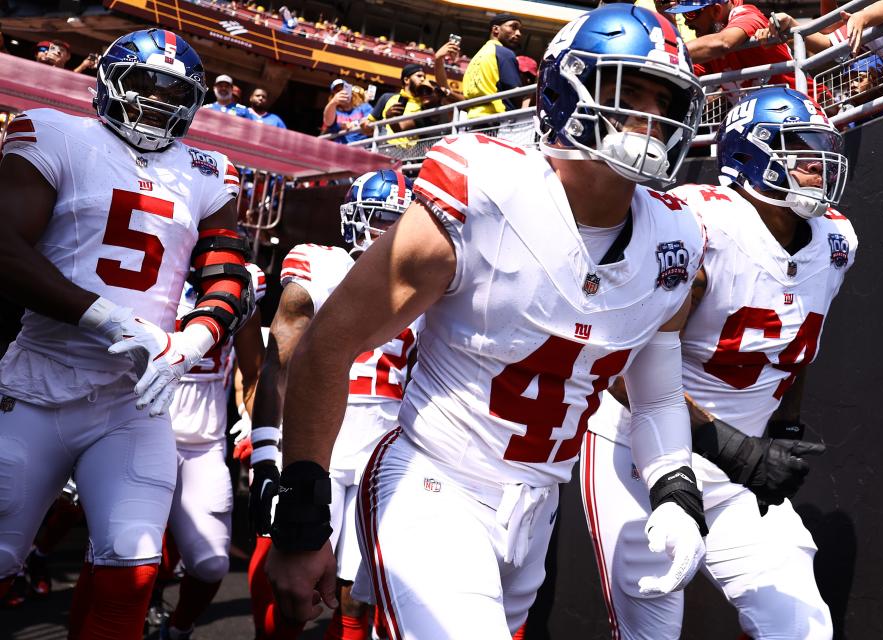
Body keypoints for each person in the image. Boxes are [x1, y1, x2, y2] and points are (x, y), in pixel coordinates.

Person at [265, 4, 710, 636]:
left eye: (660, 99)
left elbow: (656, 391)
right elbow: (329, 344)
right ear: (566, 89)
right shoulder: (486, 188)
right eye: (625, 90)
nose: (644, 116)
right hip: (435, 482)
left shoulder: (678, 235)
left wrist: (674, 490)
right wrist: (303, 516)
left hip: (536, 509)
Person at [0, 28, 252, 638]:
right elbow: (4, 247)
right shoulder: (56, 133)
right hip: (38, 383)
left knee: (131, 570)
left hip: (134, 399)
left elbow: (228, 276)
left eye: (173, 92)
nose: (156, 102)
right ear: (109, 84)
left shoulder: (208, 172)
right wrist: (104, 315)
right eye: (143, 84)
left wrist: (187, 345)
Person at [582, 87, 855, 640]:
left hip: (741, 472)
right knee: (652, 629)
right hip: (640, 458)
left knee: (800, 626)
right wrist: (730, 448)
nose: (813, 161)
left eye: (818, 146)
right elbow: (618, 371)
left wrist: (786, 426)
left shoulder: (836, 240)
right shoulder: (699, 226)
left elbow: (792, 348)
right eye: (797, 145)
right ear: (751, 153)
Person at [246, 170, 420, 640]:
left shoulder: (425, 284)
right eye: (380, 218)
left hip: (380, 448)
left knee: (357, 594)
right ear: (352, 218)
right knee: (293, 587)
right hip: (317, 441)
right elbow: (277, 363)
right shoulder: (318, 264)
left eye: (397, 222)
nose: (386, 231)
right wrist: (265, 448)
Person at [158, 263, 266, 640]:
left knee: (210, 563)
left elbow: (254, 371)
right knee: (124, 555)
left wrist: (261, 428)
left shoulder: (241, 282)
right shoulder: (151, 263)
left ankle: (177, 630)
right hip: (139, 429)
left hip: (203, 442)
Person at [665, 0, 800, 93]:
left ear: (716, 10)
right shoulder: (710, 41)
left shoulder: (747, 15)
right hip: (761, 122)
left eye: (691, 13)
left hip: (802, 114)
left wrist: (657, 49)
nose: (687, 22)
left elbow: (723, 43)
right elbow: (684, 69)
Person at [462, 13, 524, 118]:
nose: (518, 33)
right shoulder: (504, 53)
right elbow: (515, 94)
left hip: (472, 119)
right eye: (513, 27)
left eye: (519, 30)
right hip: (497, 119)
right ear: (496, 29)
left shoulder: (477, 56)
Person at [360, 64, 429, 147]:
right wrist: (364, 124)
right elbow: (368, 125)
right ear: (406, 80)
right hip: (384, 149)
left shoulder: (425, 104)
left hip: (411, 156)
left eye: (424, 77)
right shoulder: (387, 98)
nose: (422, 79)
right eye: (419, 76)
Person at [323, 78, 373, 143]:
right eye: (338, 91)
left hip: (362, 147)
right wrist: (333, 102)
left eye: (344, 89)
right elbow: (328, 122)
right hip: (340, 148)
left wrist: (353, 124)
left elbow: (371, 121)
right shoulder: (334, 110)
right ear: (334, 95)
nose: (342, 92)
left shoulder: (363, 106)